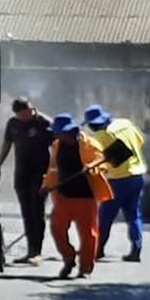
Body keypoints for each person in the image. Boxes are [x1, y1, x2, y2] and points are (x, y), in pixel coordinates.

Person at [41, 113, 114, 279]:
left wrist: (92, 168)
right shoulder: (57, 145)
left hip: (86, 197)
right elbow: (53, 169)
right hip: (63, 196)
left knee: (89, 235)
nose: (56, 135)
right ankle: (69, 258)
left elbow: (102, 164)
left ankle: (86, 268)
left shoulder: (90, 144)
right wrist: (46, 186)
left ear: (69, 131)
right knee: (56, 228)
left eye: (58, 132)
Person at [82, 104, 147, 262]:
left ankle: (98, 249)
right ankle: (136, 250)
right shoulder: (126, 124)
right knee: (133, 214)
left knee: (105, 216)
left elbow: (96, 158)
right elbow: (141, 141)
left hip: (119, 179)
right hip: (138, 175)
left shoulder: (100, 137)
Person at [0, 97, 53, 265]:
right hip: (22, 173)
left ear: (31, 109)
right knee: (26, 212)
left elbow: (58, 147)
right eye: (21, 115)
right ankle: (29, 251)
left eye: (27, 113)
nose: (25, 117)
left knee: (37, 211)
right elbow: (7, 143)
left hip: (40, 173)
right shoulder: (13, 123)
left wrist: (55, 173)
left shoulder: (44, 123)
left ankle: (37, 252)